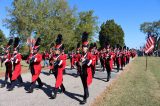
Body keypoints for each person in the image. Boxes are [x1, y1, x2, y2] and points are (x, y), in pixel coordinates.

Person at [51, 34, 66, 99]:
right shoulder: (53, 56)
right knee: (59, 80)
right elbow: (51, 62)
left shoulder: (61, 56)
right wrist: (52, 63)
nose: (56, 51)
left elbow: (62, 63)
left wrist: (57, 60)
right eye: (55, 49)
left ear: (59, 50)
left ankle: (54, 93)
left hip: (60, 70)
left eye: (57, 50)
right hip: (54, 70)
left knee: (58, 81)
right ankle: (63, 88)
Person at [80, 32, 93, 104]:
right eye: (83, 47)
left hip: (87, 72)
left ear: (87, 48)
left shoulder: (89, 54)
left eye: (85, 47)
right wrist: (78, 63)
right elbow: (77, 62)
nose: (84, 48)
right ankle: (87, 94)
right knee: (84, 85)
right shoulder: (80, 55)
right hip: (81, 72)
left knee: (85, 85)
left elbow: (90, 63)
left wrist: (85, 60)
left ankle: (85, 98)